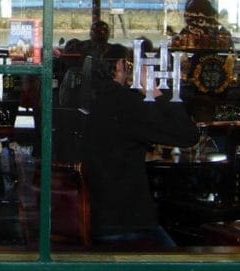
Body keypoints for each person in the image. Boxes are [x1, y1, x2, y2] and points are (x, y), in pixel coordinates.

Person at [79, 42, 199, 249]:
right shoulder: (127, 103)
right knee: (182, 266)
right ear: (119, 65)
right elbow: (188, 135)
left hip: (94, 218)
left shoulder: (88, 100)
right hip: (127, 223)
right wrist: (156, 93)